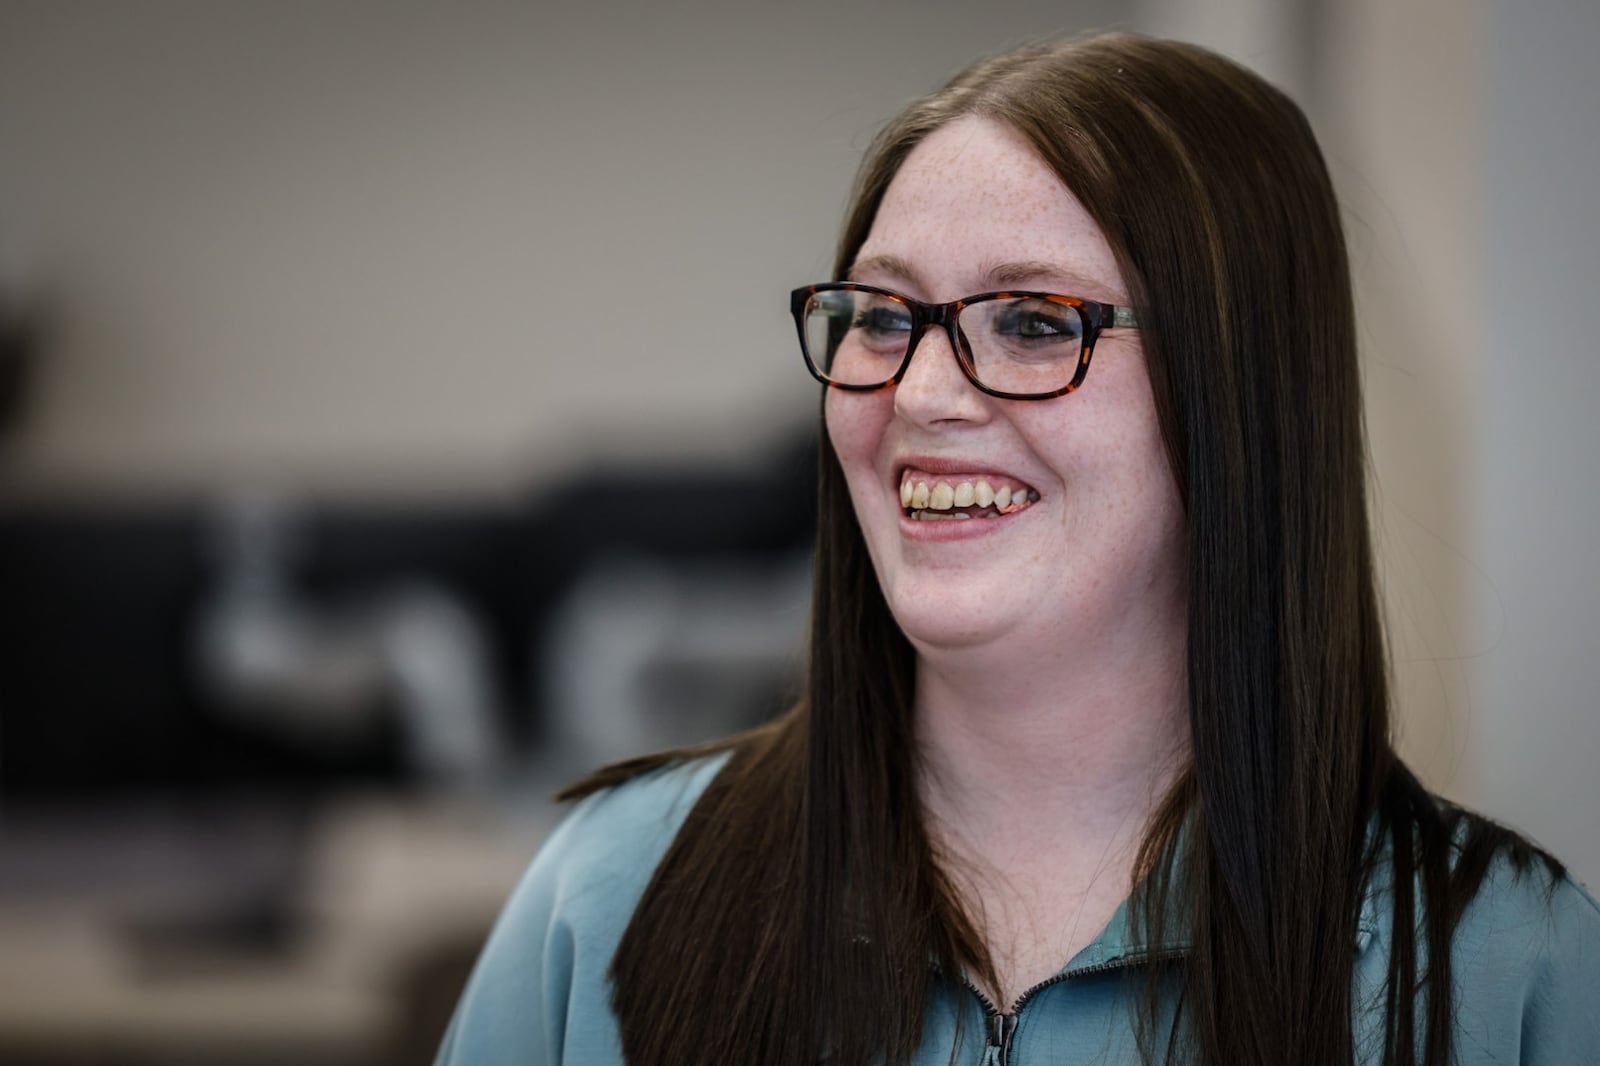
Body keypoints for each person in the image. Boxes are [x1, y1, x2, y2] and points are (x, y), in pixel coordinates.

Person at [435, 32, 1600, 1066]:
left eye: (1036, 323)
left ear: (1241, 392)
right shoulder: (612, 893)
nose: (922, 392)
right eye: (883, 318)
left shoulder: (1510, 970)